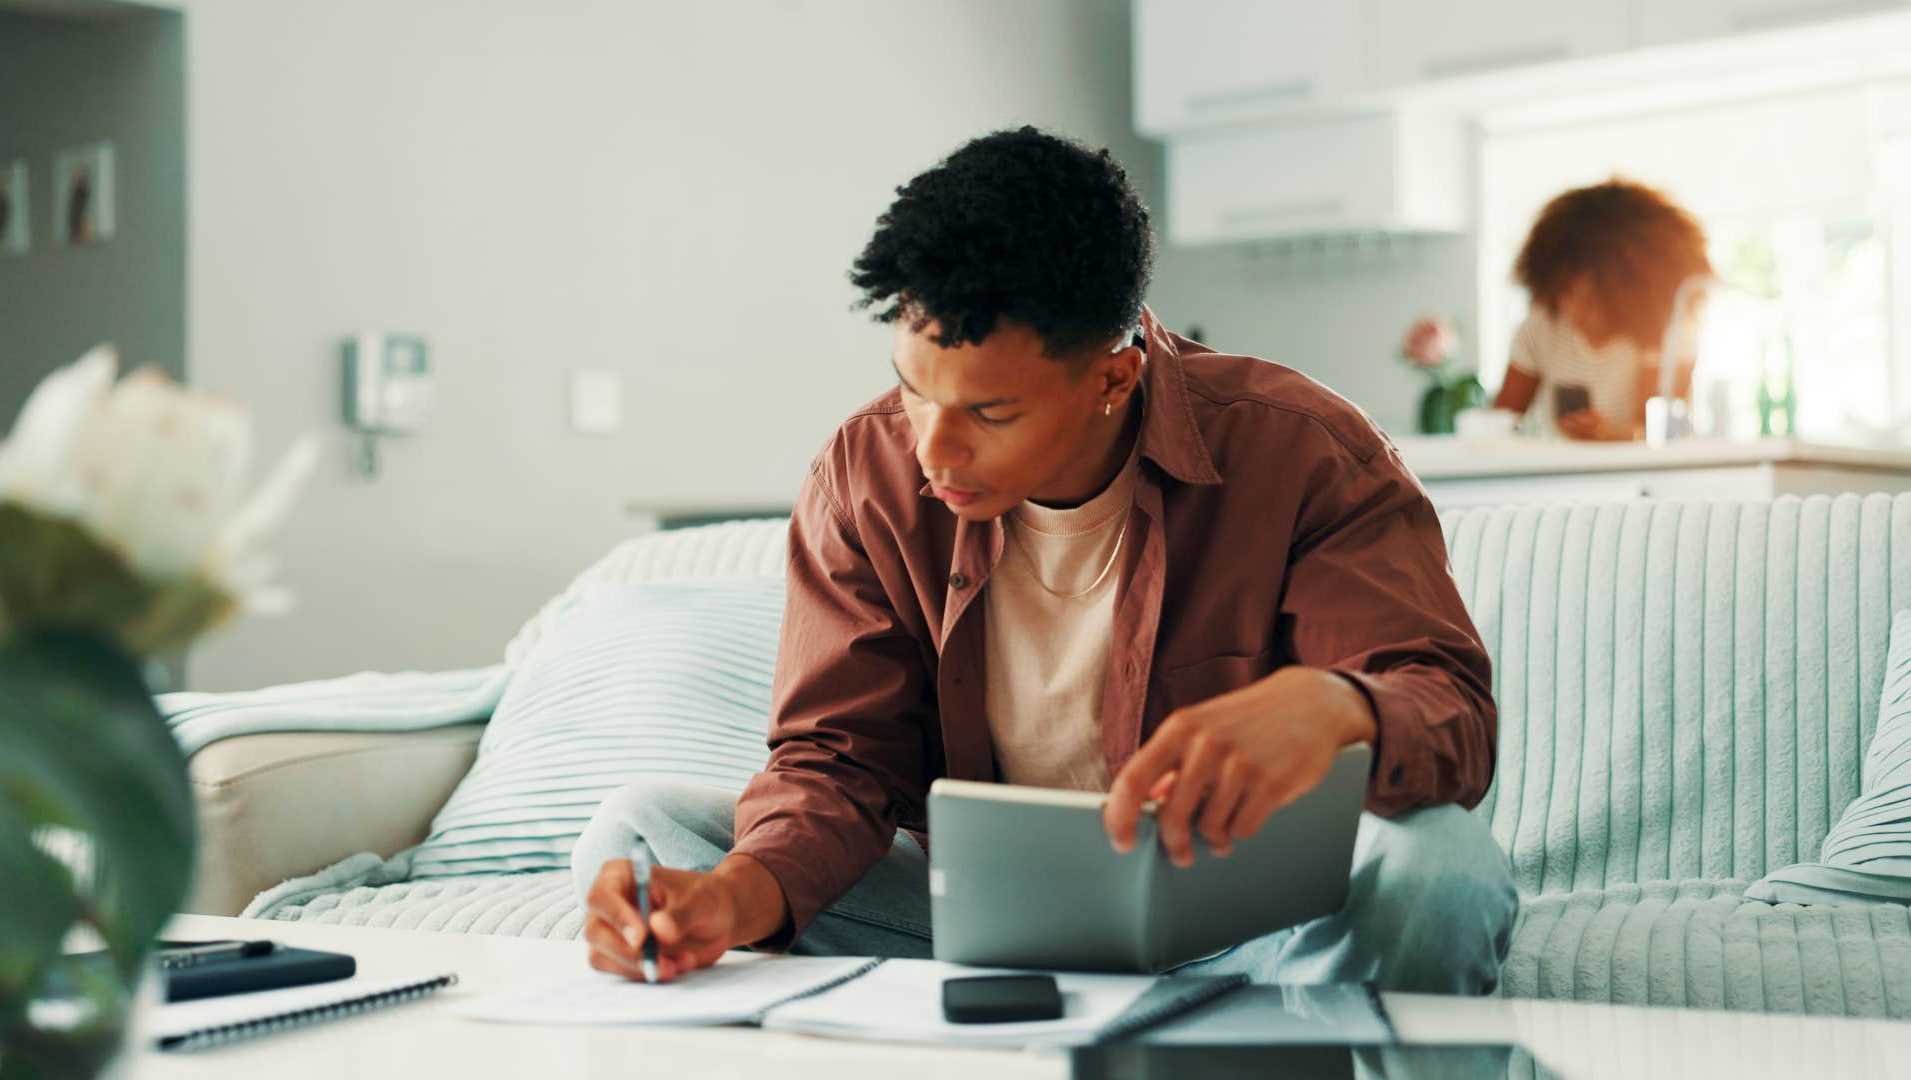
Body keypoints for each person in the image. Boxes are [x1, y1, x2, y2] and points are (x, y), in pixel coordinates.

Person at [574, 127, 1516, 994]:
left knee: (1441, 867)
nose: (935, 450)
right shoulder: (867, 473)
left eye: (990, 413)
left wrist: (1339, 707)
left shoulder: (1300, 451)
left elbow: (1455, 724)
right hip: (971, 920)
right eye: (913, 391)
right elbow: (837, 761)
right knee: (645, 836)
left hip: (1253, 930)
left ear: (1114, 376)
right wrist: (734, 899)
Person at [1492, 178, 1712, 441]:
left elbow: (1662, 436)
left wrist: (1612, 435)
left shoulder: (1670, 331)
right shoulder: (1541, 325)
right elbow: (1499, 424)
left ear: (1629, 294)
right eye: (1565, 292)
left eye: (1589, 298)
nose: (1572, 308)